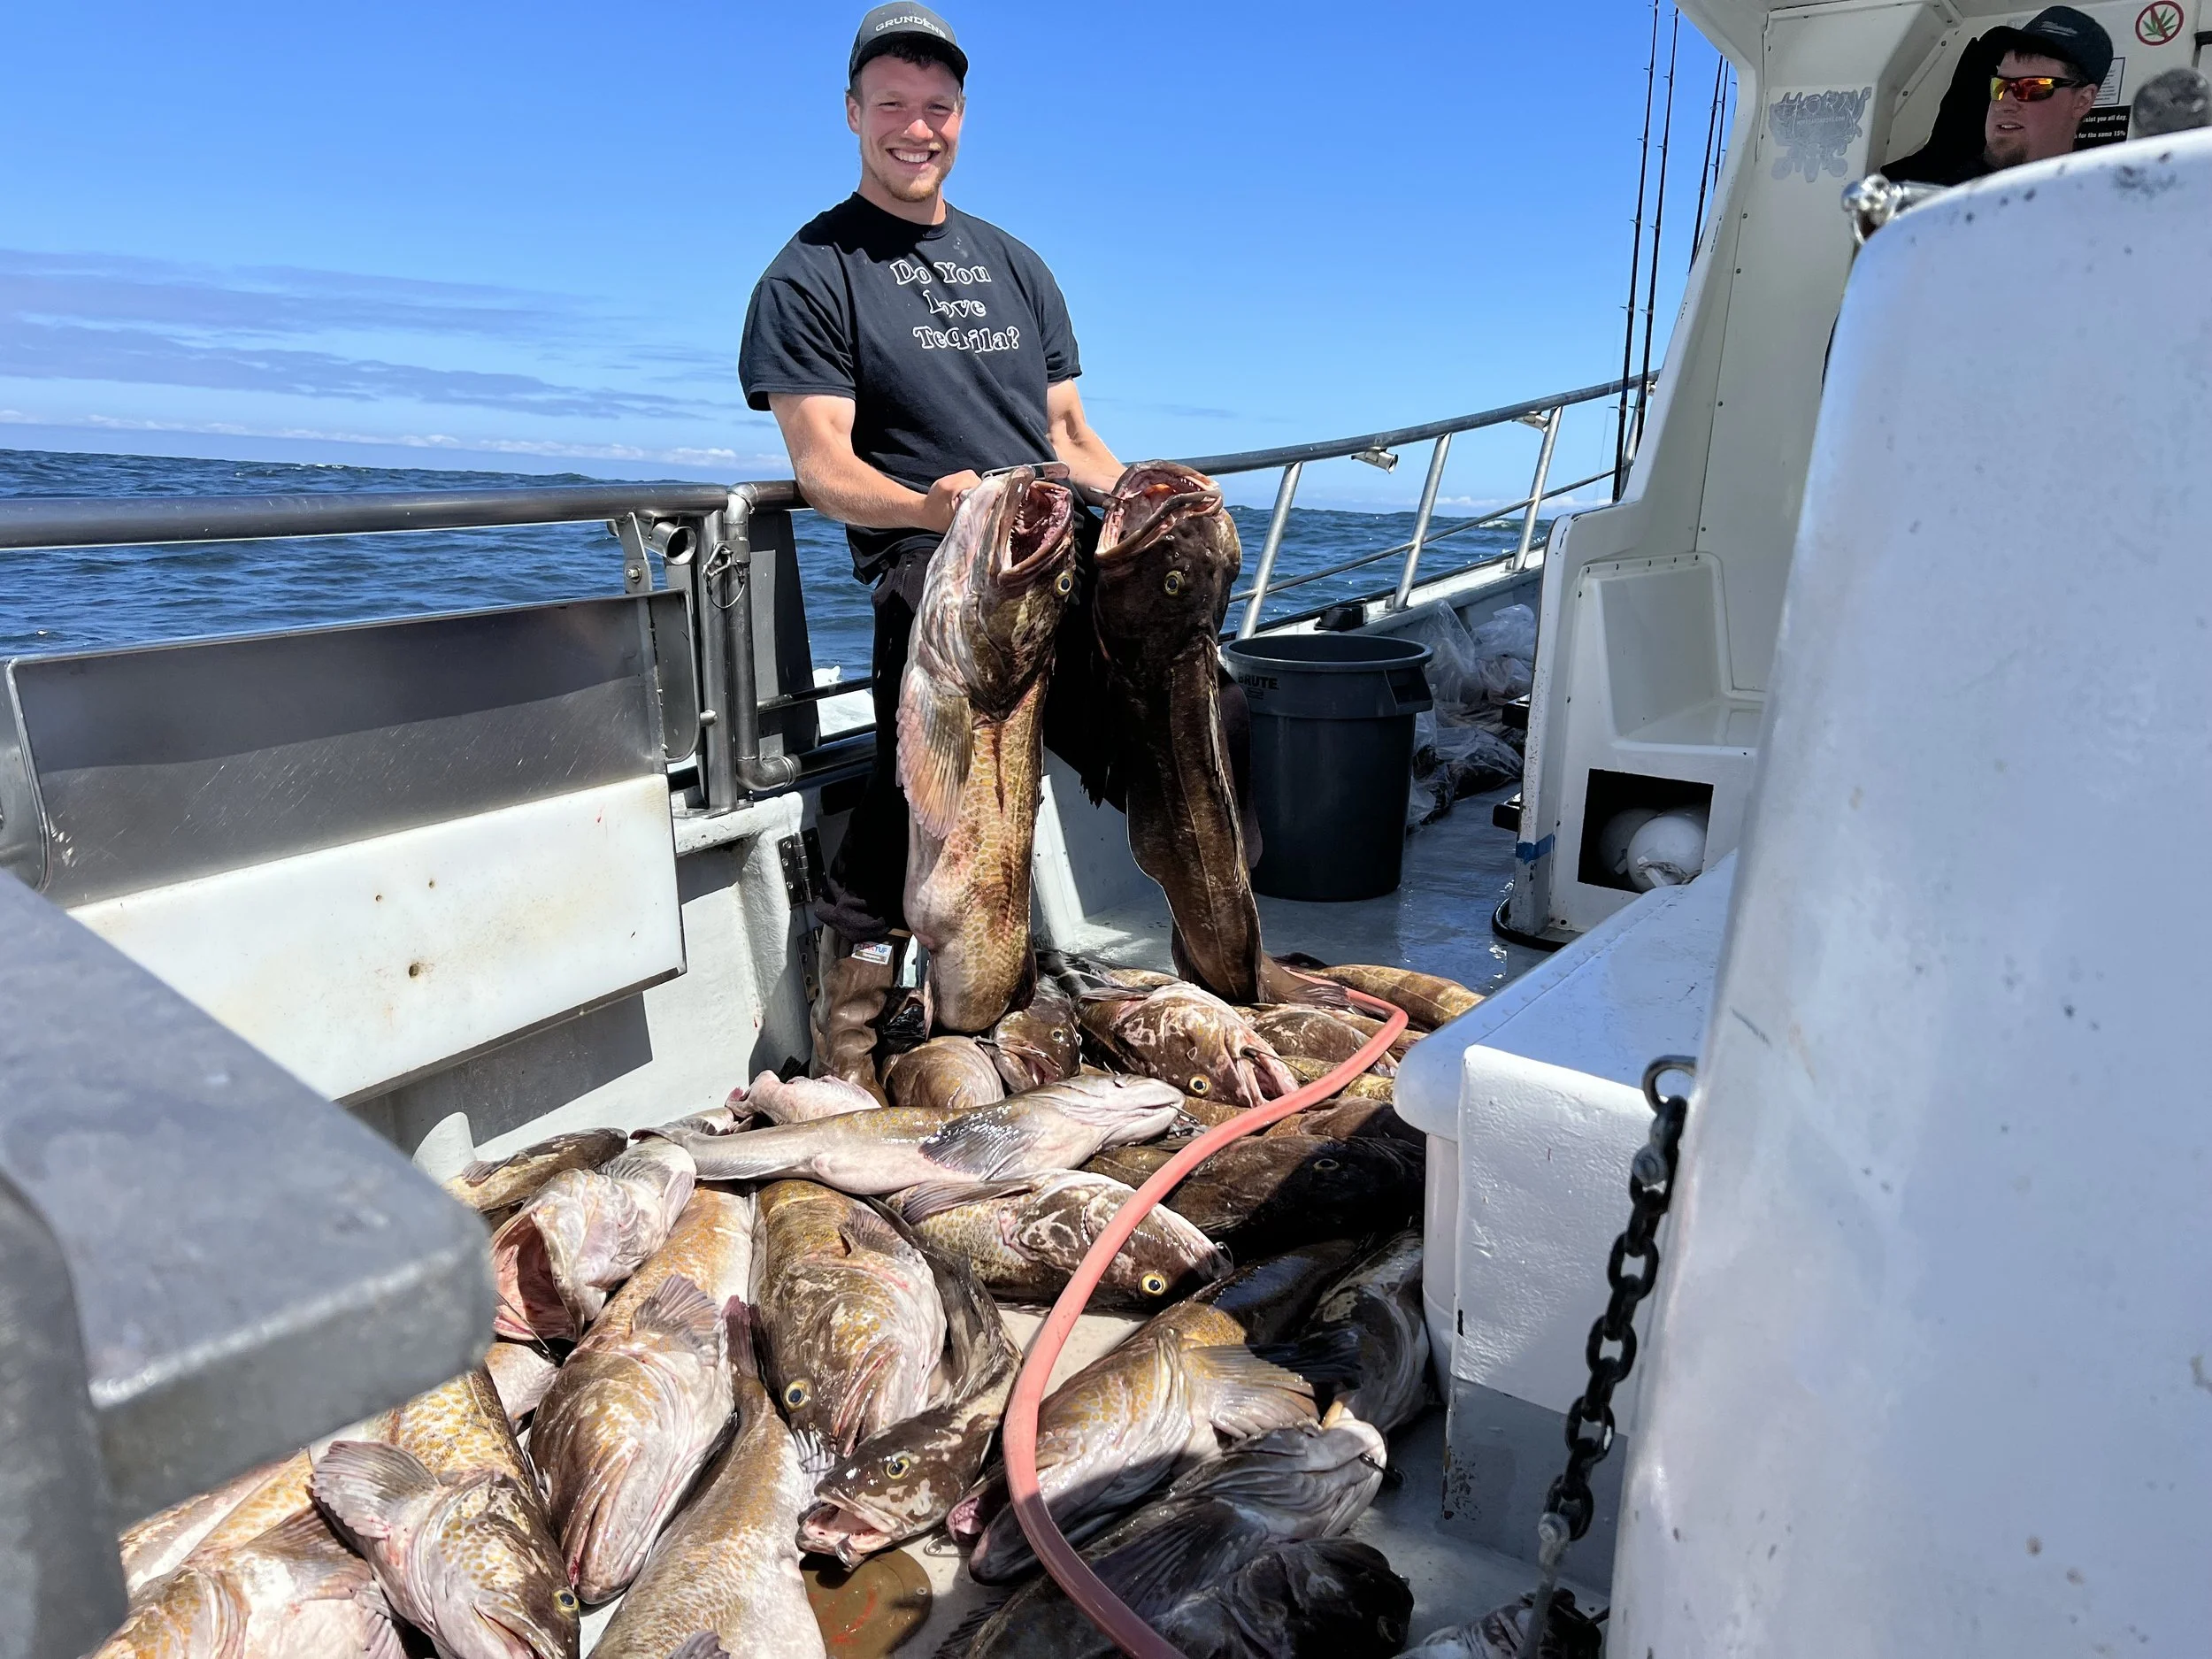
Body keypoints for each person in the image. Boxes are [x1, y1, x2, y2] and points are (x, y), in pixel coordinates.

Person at [739, 4, 1126, 1089]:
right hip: (936, 557)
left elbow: (1069, 438)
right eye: (895, 106)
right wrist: (927, 509)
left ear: (963, 117)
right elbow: (822, 466)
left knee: (1215, 716)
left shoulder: (1018, 263)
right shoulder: (811, 272)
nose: (918, 128)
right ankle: (854, 1046)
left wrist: (1145, 492)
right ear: (854, 112)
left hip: (1053, 545)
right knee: (911, 791)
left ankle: (1207, 965)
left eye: (938, 107)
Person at [1882, 7, 2112, 186]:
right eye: (2000, 86)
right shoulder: (1934, 207)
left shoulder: (2111, 206)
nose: (2005, 103)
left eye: (2031, 87)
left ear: (2082, 101)